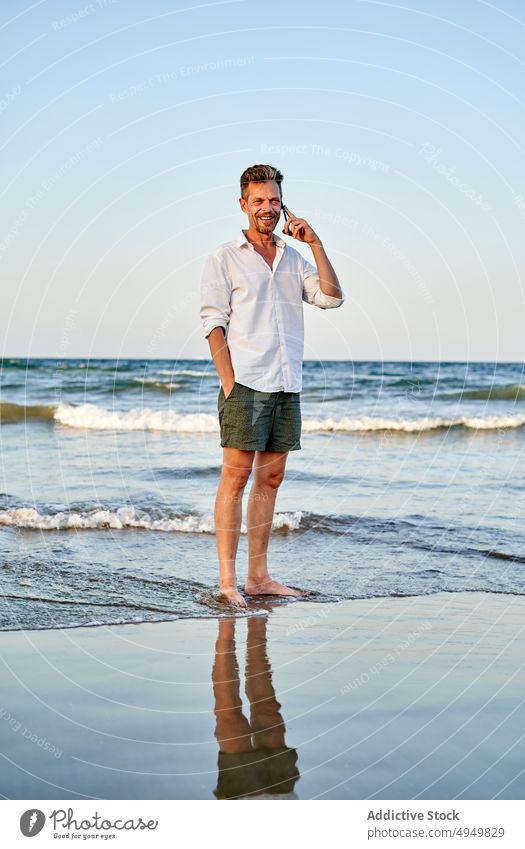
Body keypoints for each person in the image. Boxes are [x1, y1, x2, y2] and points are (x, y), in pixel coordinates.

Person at [200, 164, 345, 607]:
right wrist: (229, 382)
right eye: (258, 201)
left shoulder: (294, 258)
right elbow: (213, 323)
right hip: (245, 381)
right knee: (236, 479)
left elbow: (331, 297)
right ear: (243, 205)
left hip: (286, 382)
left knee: (272, 479)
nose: (267, 207)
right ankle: (228, 583)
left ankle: (259, 577)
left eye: (274, 200)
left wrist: (315, 243)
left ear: (283, 204)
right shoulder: (224, 257)